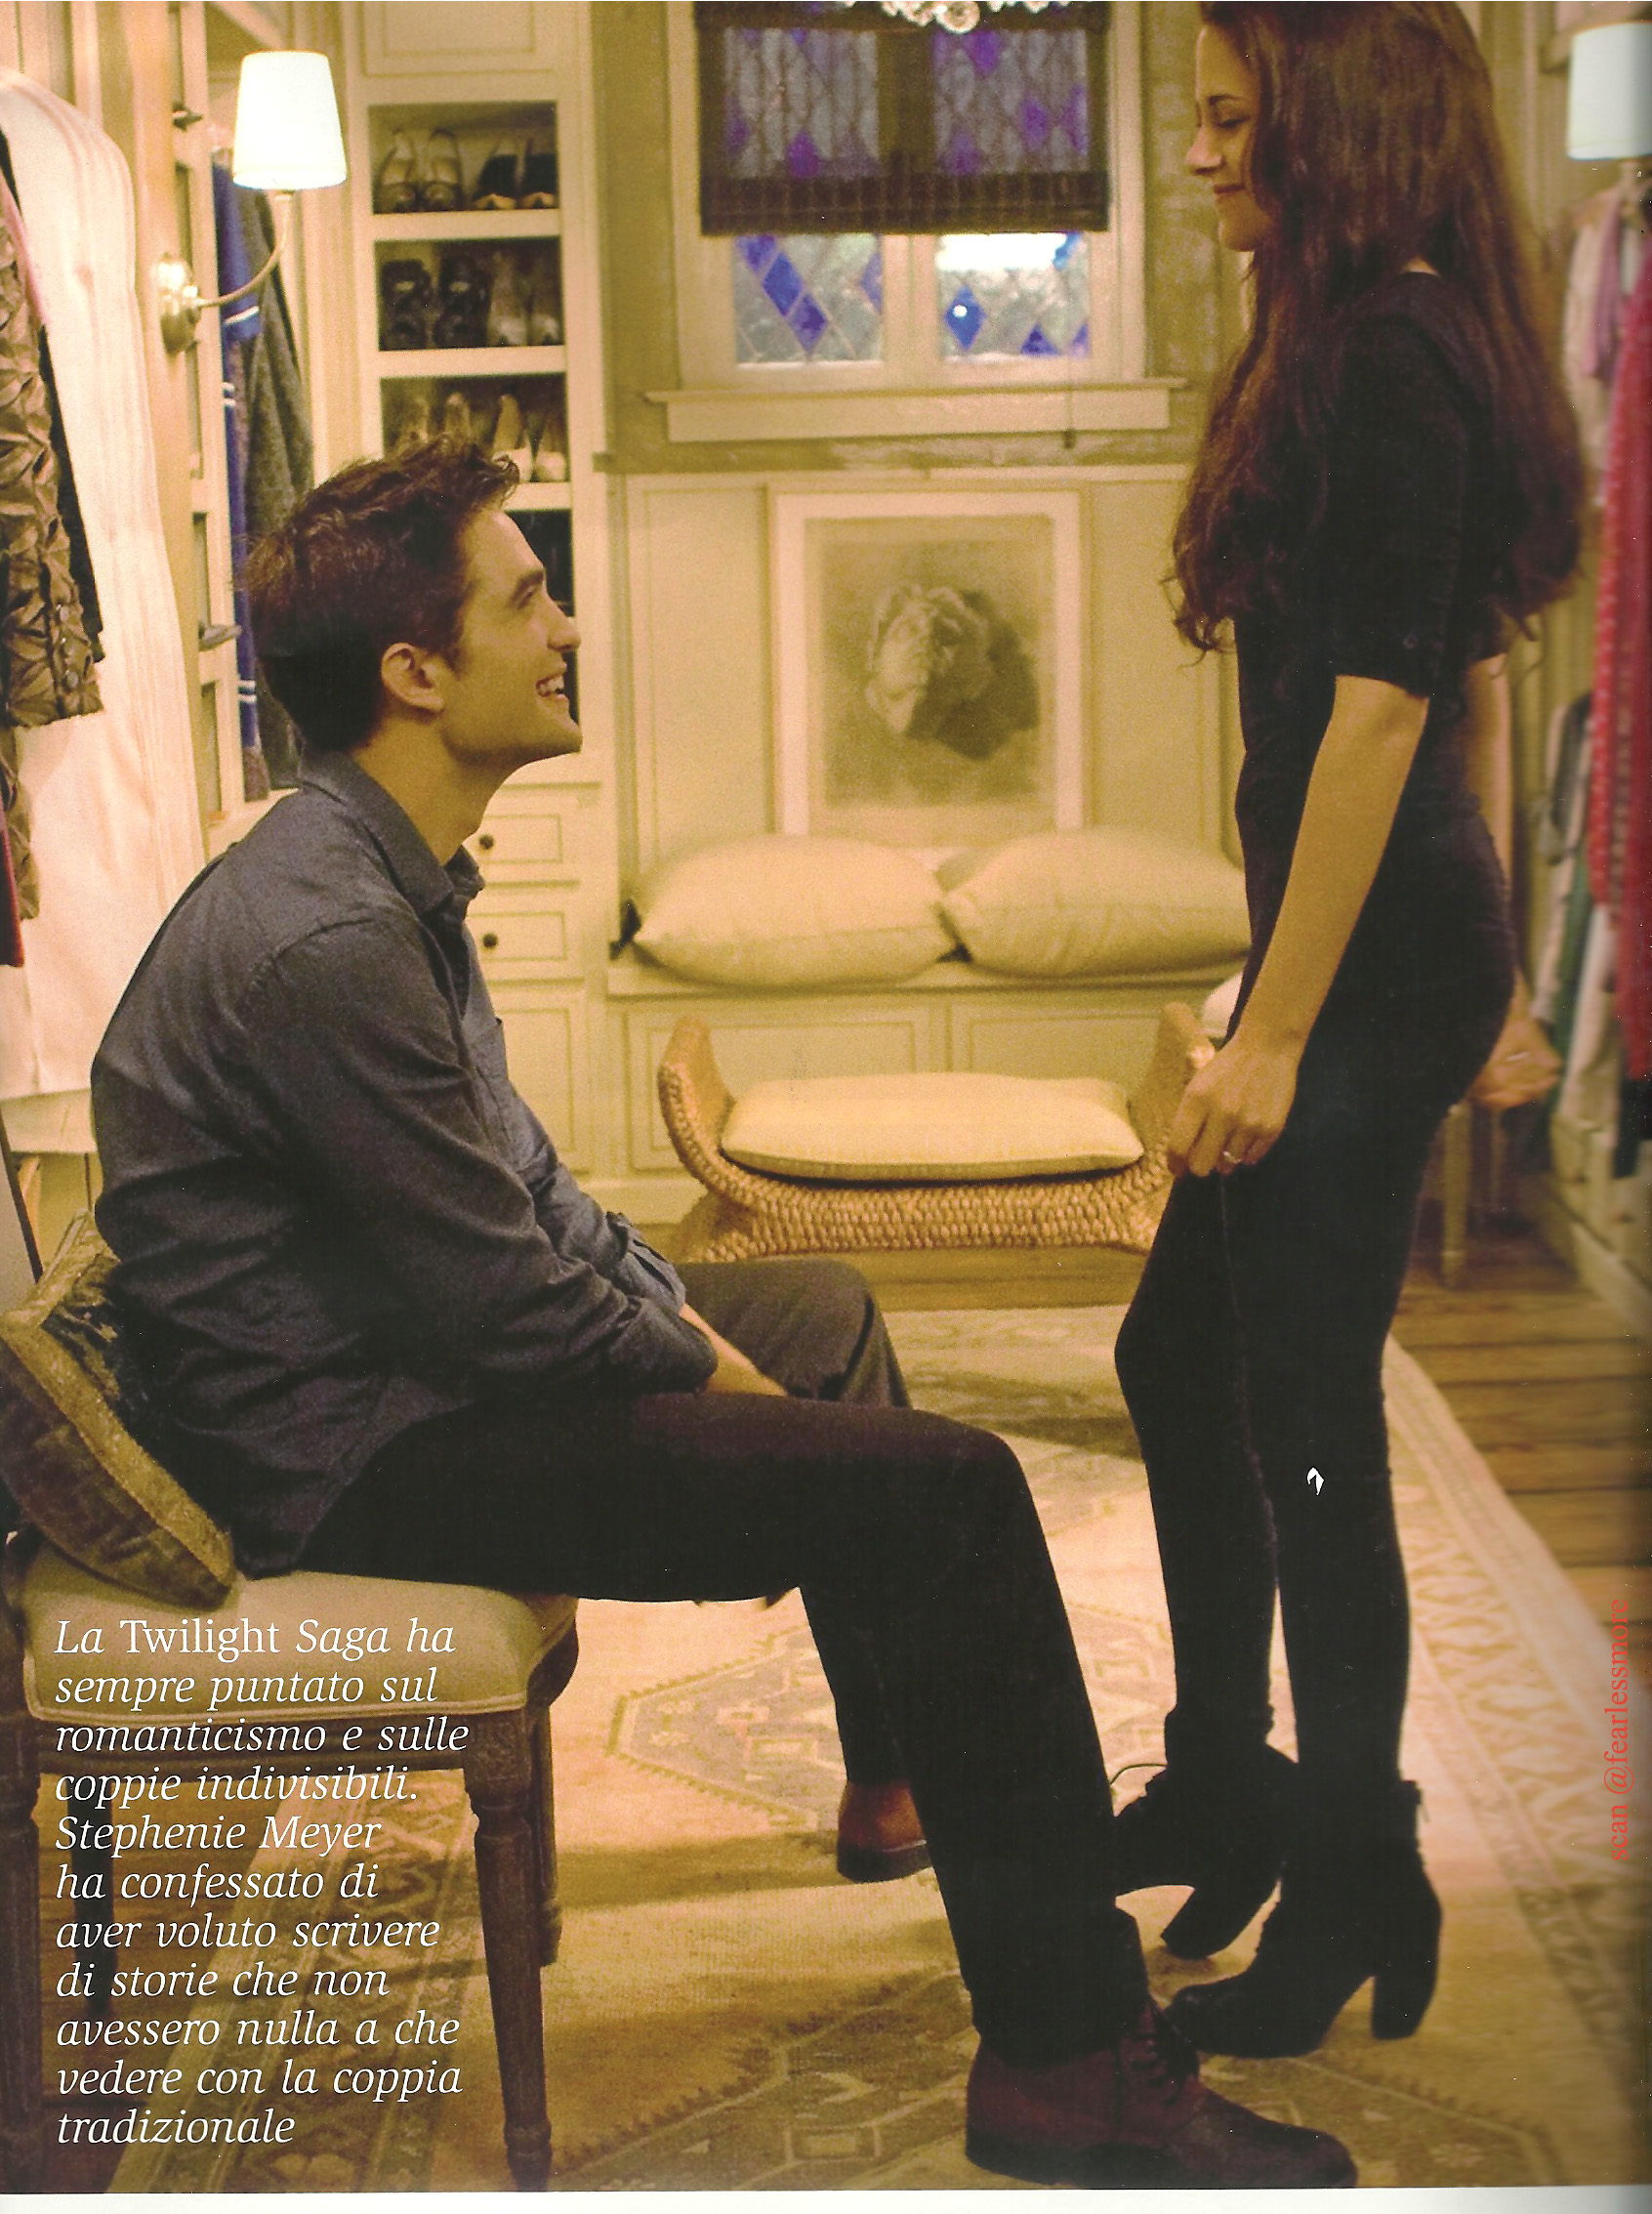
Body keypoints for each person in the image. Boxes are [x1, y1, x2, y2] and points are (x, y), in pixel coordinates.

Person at [89, 438, 1354, 2189]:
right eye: (527, 597)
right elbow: (502, 1303)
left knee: (821, 1308)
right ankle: (1072, 2064)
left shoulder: (383, 873)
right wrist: (702, 1365)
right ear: (415, 672)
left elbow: (532, 1196)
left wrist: (699, 1324)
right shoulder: (326, 940)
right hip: (357, 1451)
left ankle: (895, 1779)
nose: (566, 627)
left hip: (406, 1367)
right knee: (954, 1491)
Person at [1110, 0, 1582, 2061]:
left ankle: (1358, 1864)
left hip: (1377, 970)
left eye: (1233, 117)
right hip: (1368, 940)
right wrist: (1283, 981)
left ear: (1338, 123)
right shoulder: (1343, 328)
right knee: (1177, 1357)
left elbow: (1387, 712)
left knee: (1308, 1424)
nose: (1203, 151)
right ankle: (1232, 1777)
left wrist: (1282, 1033)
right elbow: (1437, 687)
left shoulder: (1393, 344)